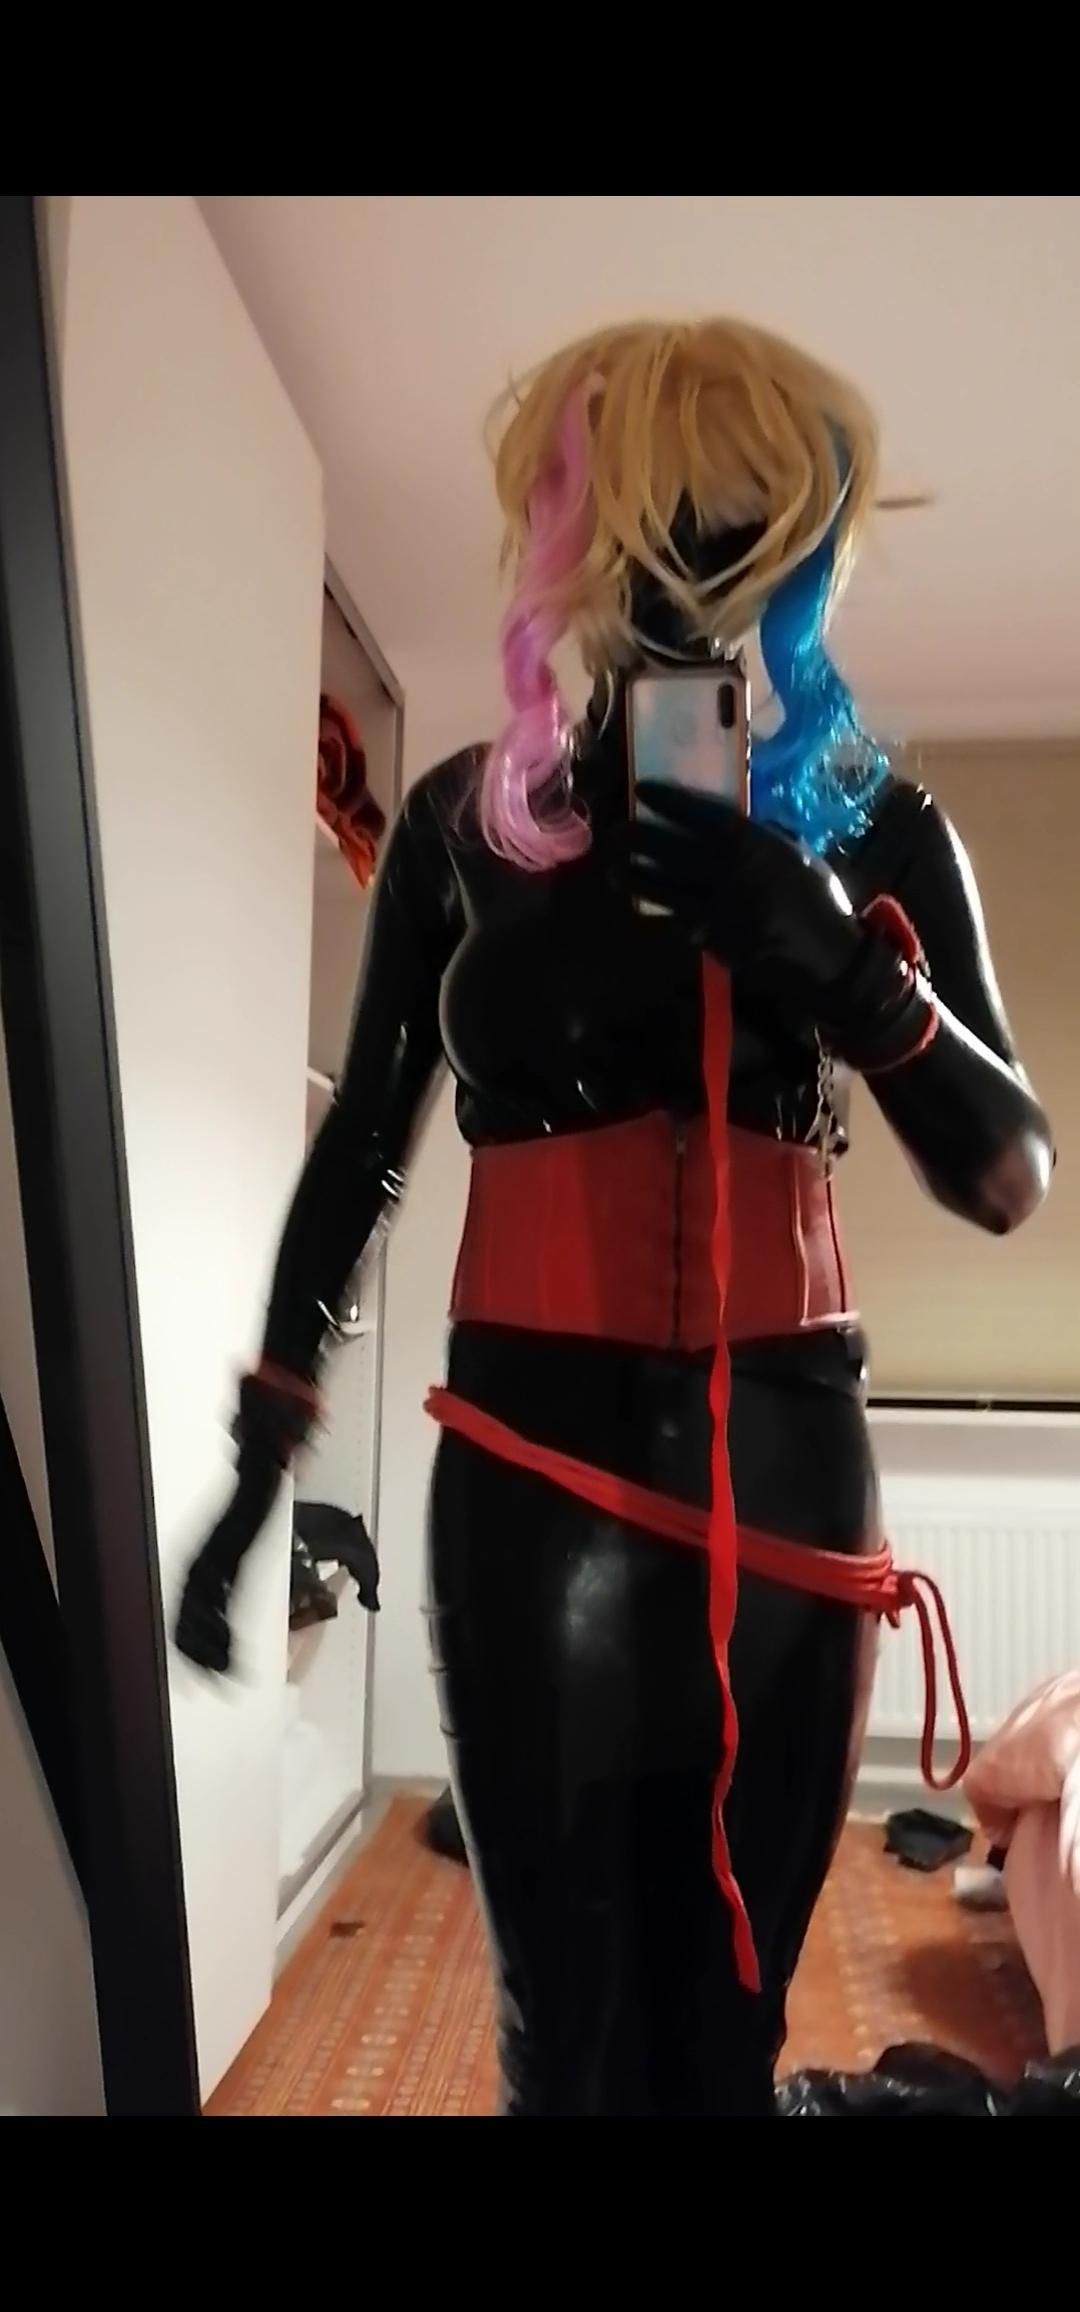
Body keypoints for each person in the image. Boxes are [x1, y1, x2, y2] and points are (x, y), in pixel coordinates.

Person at [177, 321, 1052, 2116]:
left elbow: (1008, 1171)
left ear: (792, 557)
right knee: (561, 2042)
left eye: (740, 532)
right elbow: (360, 1158)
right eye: (656, 523)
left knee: (727, 2030)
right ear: (578, 538)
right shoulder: (461, 828)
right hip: (526, 1486)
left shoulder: (875, 831)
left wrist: (833, 959)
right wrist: (257, 1471)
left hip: (787, 1490)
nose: (689, 576)